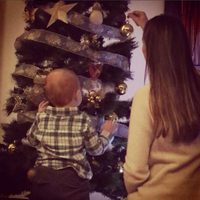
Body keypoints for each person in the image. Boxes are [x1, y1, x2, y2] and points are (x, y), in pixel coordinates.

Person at [123, 11, 200, 200]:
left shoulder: (146, 97)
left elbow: (135, 172)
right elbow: (170, 50)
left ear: (147, 50)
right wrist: (148, 27)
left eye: (145, 44)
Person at [23, 68, 116, 200]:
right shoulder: (82, 119)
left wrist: (39, 115)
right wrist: (106, 132)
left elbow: (31, 140)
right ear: (77, 95)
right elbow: (96, 150)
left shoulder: (42, 116)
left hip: (43, 178)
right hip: (72, 181)